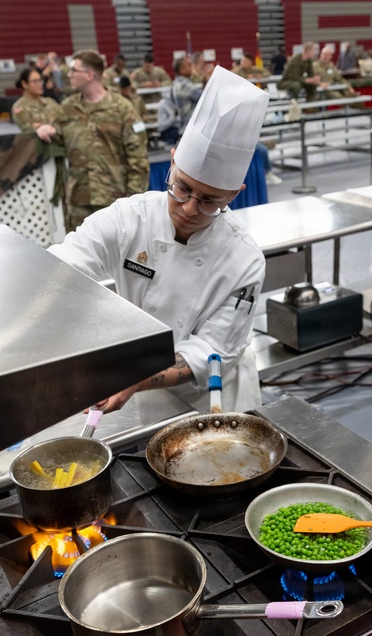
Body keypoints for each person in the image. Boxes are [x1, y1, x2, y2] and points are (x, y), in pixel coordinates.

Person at [48, 66, 268, 415]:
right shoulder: (129, 218)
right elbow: (63, 265)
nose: (189, 208)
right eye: (181, 187)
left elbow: (212, 351)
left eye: (210, 201)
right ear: (172, 163)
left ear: (235, 194)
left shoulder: (244, 260)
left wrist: (135, 379)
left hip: (214, 397)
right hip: (137, 386)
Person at [36, 50, 149, 233]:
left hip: (114, 202)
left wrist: (132, 202)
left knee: (117, 257)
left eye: (74, 70)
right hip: (78, 202)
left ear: (90, 75)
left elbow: (139, 160)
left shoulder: (122, 109)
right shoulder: (67, 109)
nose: (69, 74)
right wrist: (44, 129)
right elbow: (55, 133)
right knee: (80, 258)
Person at [157, 56, 201, 144]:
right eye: (188, 66)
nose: (191, 68)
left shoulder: (176, 84)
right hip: (189, 130)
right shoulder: (183, 85)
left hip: (186, 130)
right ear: (182, 69)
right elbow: (203, 97)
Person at [12, 66, 60, 131]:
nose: (40, 84)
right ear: (24, 84)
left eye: (40, 80)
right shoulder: (20, 106)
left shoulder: (49, 102)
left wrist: (39, 125)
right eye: (35, 81)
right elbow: (28, 128)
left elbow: (62, 122)